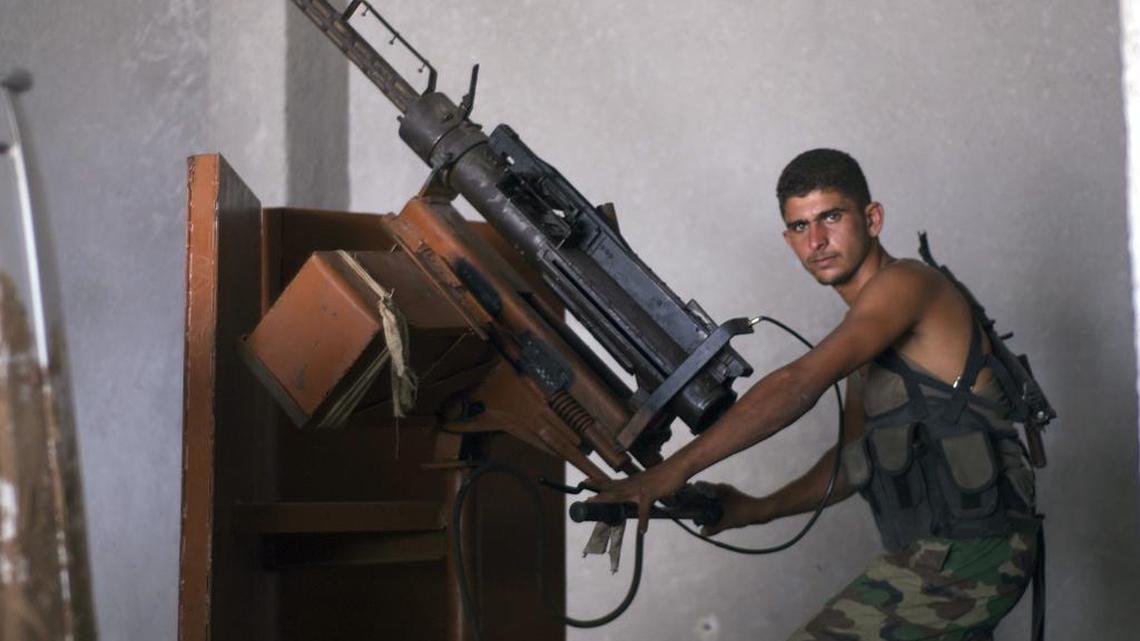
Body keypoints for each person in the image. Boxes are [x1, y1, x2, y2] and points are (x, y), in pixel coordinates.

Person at [589, 149, 1039, 640]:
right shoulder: (868, 336)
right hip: (939, 553)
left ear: (872, 218)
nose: (817, 240)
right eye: (800, 227)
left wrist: (668, 473)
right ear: (788, 240)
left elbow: (799, 383)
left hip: (970, 552)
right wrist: (754, 509)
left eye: (831, 216)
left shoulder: (907, 284)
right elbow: (851, 463)